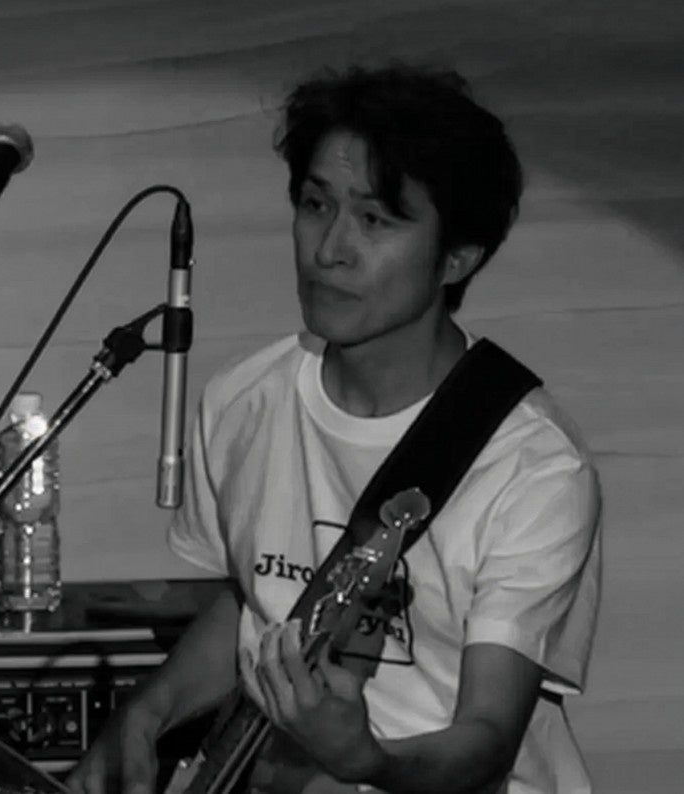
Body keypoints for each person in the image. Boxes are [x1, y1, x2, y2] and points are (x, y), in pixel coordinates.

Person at [68, 63, 602, 794]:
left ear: (457, 257)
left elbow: (487, 738)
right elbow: (258, 599)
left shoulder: (533, 464)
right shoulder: (244, 401)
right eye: (316, 205)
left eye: (375, 220)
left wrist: (367, 761)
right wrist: (146, 713)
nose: (330, 250)